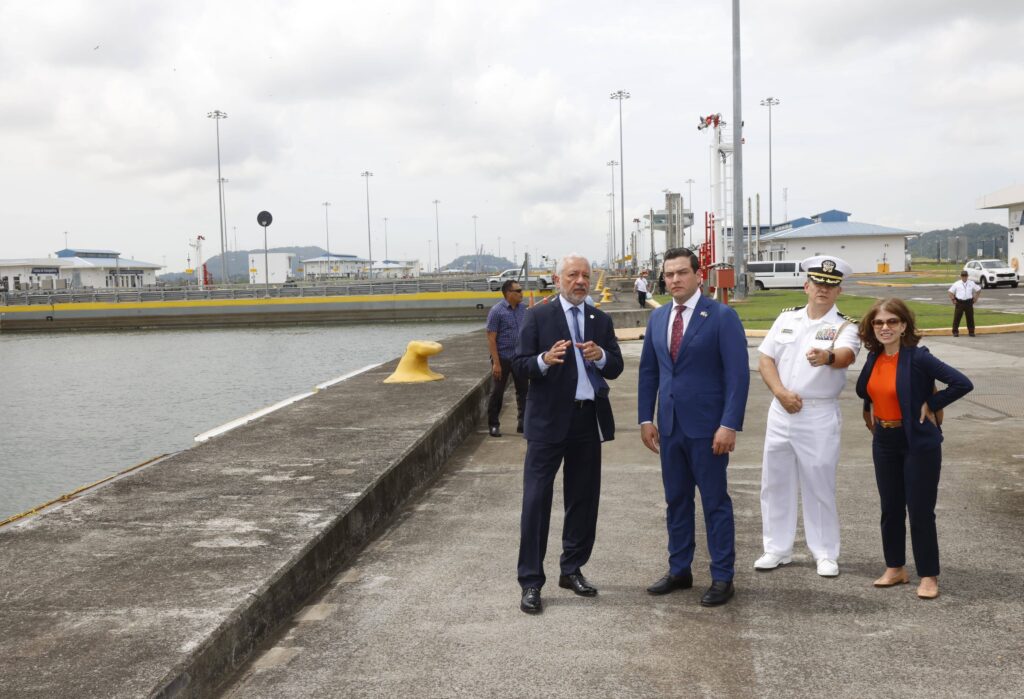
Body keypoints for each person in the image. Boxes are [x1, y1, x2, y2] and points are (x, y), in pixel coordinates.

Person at [637, 247, 749, 606]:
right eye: (669, 274)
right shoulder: (658, 318)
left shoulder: (721, 317)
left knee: (715, 503)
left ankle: (722, 576)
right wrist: (645, 418)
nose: (675, 280)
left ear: (699, 276)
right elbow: (649, 372)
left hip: (708, 429)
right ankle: (679, 570)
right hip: (670, 427)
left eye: (682, 272)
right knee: (676, 501)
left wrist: (729, 423)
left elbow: (738, 376)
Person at [513, 253, 624, 614]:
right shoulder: (538, 316)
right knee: (536, 501)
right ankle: (531, 581)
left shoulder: (600, 319)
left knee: (583, 499)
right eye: (573, 275)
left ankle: (572, 568)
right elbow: (520, 363)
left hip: (586, 420)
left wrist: (601, 356)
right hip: (547, 423)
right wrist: (544, 360)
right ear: (557, 279)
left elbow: (616, 366)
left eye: (585, 276)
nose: (580, 281)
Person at [855, 298, 973, 600]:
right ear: (872, 327)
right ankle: (895, 568)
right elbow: (864, 390)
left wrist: (931, 403)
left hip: (917, 443)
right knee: (890, 508)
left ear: (904, 325)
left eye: (892, 321)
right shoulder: (873, 357)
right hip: (884, 440)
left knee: (920, 511)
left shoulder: (918, 357)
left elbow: (962, 383)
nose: (885, 327)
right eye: (879, 322)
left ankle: (929, 576)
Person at [755, 255, 860, 578]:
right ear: (806, 286)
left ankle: (825, 553)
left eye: (830, 285)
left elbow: (846, 355)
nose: (823, 289)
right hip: (781, 409)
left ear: (839, 290)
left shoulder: (845, 325)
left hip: (817, 413)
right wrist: (780, 393)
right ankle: (777, 548)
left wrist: (827, 356)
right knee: (775, 482)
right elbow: (765, 359)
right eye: (817, 283)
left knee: (819, 484)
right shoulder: (786, 318)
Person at [485, 279, 529, 437]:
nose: (521, 293)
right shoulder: (497, 311)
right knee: (497, 392)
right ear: (508, 293)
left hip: (519, 357)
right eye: (518, 291)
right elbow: (491, 338)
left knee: (524, 391)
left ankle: (523, 423)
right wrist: (496, 363)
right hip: (502, 358)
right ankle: (493, 424)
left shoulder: (523, 309)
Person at [947, 270, 981, 337]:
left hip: (969, 302)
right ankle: (955, 332)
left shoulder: (971, 283)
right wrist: (953, 299)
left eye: (965, 275)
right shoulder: (957, 283)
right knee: (957, 318)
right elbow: (950, 292)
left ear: (967, 276)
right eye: (963, 276)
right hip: (960, 302)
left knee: (970, 318)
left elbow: (978, 289)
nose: (964, 277)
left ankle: (971, 332)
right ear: (961, 276)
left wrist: (976, 298)